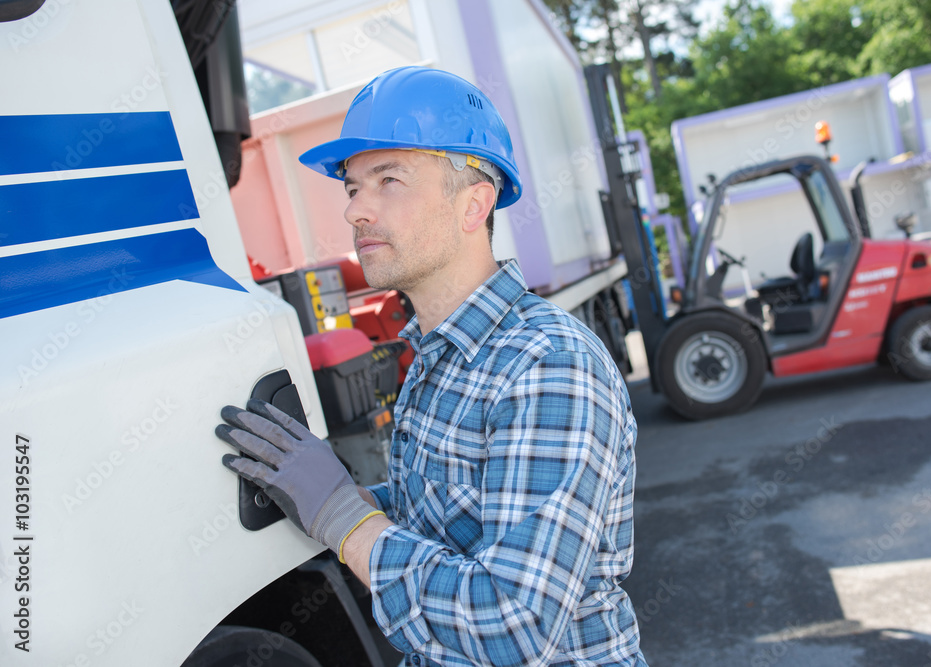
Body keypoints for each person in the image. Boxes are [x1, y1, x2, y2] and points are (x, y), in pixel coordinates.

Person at [215, 66, 646, 667]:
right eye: (352, 188)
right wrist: (337, 493)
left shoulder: (548, 366)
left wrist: (343, 517)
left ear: (473, 205)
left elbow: (513, 625)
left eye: (389, 180)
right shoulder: (437, 355)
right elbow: (444, 514)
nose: (355, 211)